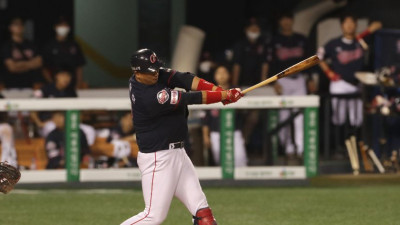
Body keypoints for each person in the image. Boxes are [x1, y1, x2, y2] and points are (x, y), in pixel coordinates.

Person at [121, 49, 243, 225]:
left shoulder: (153, 75)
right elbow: (190, 97)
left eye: (156, 69)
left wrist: (219, 91)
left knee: (204, 216)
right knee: (153, 216)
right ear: (137, 73)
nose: (156, 74)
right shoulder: (149, 96)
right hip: (158, 158)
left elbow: (185, 79)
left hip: (178, 154)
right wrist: (224, 96)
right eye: (150, 71)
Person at [317, 13, 381, 148]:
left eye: (352, 22)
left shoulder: (360, 41)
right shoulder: (334, 43)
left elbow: (378, 25)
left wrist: (366, 32)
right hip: (340, 84)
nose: (350, 25)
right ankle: (338, 148)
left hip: (357, 84)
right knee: (339, 118)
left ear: (356, 25)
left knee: (357, 119)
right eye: (346, 23)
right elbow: (318, 56)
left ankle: (356, 149)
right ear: (341, 26)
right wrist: (328, 72)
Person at [265, 12, 310, 161]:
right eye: (283, 19)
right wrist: (272, 82)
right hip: (282, 81)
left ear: (292, 20)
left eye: (289, 19)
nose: (286, 22)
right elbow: (269, 64)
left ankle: (301, 149)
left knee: (300, 116)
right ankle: (289, 149)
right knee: (283, 116)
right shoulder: (274, 40)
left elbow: (309, 61)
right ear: (280, 22)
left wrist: (311, 78)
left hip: (299, 81)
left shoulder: (301, 39)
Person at [202, 65, 247, 166]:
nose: (222, 75)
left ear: (229, 75)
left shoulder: (236, 91)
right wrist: (205, 136)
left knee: (240, 160)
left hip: (234, 131)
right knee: (221, 163)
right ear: (215, 76)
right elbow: (205, 118)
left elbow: (245, 113)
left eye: (224, 72)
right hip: (216, 133)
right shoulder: (209, 93)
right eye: (219, 73)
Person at [42, 17, 86, 89]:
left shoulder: (74, 45)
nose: (63, 28)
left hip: (72, 84)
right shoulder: (49, 46)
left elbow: (79, 67)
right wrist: (52, 84)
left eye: (65, 25)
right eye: (61, 25)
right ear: (55, 27)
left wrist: (78, 84)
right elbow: (44, 68)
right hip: (55, 84)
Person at [31, 69, 77, 137]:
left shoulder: (71, 92)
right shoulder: (46, 89)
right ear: (57, 76)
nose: (66, 78)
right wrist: (39, 123)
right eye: (63, 75)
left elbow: (78, 110)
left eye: (68, 76)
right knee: (51, 129)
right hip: (48, 122)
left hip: (68, 122)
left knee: (88, 130)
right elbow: (32, 108)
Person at [1, 17, 43, 88]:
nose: (19, 27)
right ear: (10, 27)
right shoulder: (7, 46)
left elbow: (39, 62)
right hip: (11, 85)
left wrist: (19, 65)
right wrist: (31, 64)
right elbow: (12, 67)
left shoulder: (31, 44)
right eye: (16, 24)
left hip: (31, 85)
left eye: (21, 24)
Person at [232, 18, 268, 87]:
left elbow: (265, 64)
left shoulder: (263, 44)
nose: (254, 32)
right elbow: (236, 65)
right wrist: (234, 85)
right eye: (252, 29)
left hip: (258, 83)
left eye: (256, 29)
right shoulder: (240, 45)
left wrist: (264, 83)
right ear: (246, 30)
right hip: (242, 83)